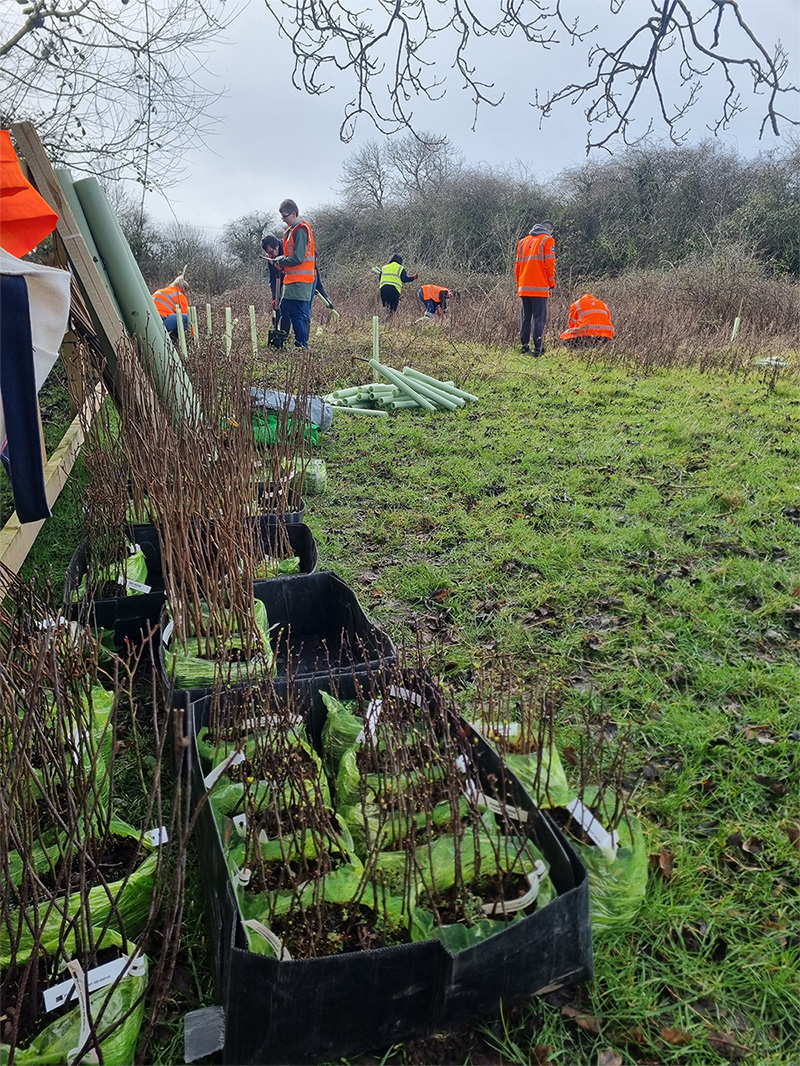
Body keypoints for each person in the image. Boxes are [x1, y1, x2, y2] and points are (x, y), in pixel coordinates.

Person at [265, 199, 315, 349]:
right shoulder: (291, 231)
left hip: (301, 281)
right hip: (291, 280)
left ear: (294, 213)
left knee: (296, 314)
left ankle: (301, 345)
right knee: (284, 308)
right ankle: (283, 340)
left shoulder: (300, 230)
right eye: (282, 217)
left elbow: (298, 258)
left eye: (285, 216)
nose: (284, 220)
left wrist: (281, 260)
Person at [262, 234, 337, 329]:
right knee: (283, 307)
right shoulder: (271, 259)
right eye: (269, 254)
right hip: (288, 279)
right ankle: (284, 334)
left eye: (272, 252)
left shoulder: (288, 248)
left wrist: (324, 294)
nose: (271, 256)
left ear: (276, 246)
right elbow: (273, 279)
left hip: (305, 276)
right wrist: (275, 297)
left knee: (303, 310)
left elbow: (312, 267)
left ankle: (303, 340)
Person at [515, 220, 555, 357]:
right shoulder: (547, 240)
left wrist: (520, 284)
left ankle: (524, 346)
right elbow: (549, 264)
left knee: (526, 317)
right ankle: (538, 347)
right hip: (539, 287)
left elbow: (518, 266)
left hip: (524, 286)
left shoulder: (522, 242)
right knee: (539, 318)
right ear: (549, 229)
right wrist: (551, 283)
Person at [151, 271, 190, 340]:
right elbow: (188, 318)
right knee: (187, 318)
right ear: (184, 289)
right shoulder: (180, 296)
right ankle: (172, 341)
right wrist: (193, 337)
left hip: (148, 319)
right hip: (161, 321)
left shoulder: (160, 290)